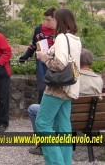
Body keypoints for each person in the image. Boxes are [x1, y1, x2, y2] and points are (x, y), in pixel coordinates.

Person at [28, 48, 103, 155]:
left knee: (33, 109)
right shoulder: (98, 80)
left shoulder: (71, 78)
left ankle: (42, 145)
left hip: (67, 118)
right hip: (88, 120)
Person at [35, 9, 82, 165]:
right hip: (69, 88)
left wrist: (44, 58)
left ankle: (57, 162)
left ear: (59, 21)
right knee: (63, 128)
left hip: (56, 89)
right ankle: (66, 162)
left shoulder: (61, 37)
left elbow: (60, 64)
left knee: (42, 124)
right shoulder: (75, 39)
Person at [19, 8, 57, 103]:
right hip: (41, 61)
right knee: (42, 87)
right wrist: (26, 55)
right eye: (45, 19)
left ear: (55, 19)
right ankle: (41, 109)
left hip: (55, 61)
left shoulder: (60, 32)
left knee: (55, 87)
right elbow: (34, 44)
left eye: (48, 20)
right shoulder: (38, 29)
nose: (45, 22)